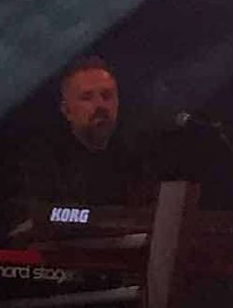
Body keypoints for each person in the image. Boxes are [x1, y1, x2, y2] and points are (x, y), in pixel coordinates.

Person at [13, 56, 149, 207]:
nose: (100, 105)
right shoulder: (42, 166)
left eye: (107, 96)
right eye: (87, 97)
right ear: (66, 110)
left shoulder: (138, 158)